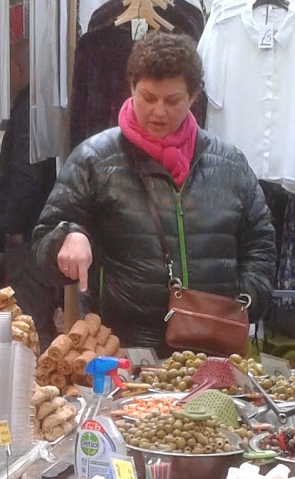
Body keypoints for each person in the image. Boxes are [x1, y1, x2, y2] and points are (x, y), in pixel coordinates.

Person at [32, 32, 276, 351]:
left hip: (214, 347)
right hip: (125, 348)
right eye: (148, 98)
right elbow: (44, 244)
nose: (159, 111)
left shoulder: (229, 164)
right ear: (132, 87)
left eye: (172, 101)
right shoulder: (94, 160)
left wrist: (245, 299)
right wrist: (67, 236)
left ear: (194, 96)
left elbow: (260, 242)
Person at [0, 38, 61, 344]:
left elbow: (27, 176)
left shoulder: (29, 109)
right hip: (39, 232)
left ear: (18, 68)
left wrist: (6, 224)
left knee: (31, 326)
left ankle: (36, 373)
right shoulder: (40, 105)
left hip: (28, 238)